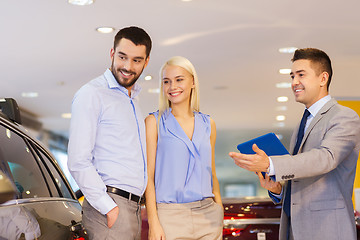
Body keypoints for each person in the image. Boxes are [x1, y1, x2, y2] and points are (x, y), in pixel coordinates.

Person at [229, 48, 360, 240]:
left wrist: (271, 164)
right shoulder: (302, 124)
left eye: (301, 75)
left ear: (323, 78)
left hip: (328, 230)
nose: (294, 82)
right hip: (294, 230)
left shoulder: (345, 117)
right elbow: (302, 179)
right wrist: (278, 189)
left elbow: (325, 158)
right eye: (292, 76)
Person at [67, 26, 152, 240]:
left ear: (146, 62)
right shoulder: (92, 94)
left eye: (136, 60)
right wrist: (108, 208)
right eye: (122, 57)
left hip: (132, 208)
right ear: (112, 53)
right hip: (109, 208)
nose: (128, 66)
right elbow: (78, 161)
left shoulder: (132, 99)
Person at [145, 56, 223, 240]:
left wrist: (219, 208)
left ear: (193, 82)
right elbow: (148, 177)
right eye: (167, 81)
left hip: (208, 215)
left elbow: (211, 173)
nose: (172, 87)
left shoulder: (208, 123)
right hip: (170, 217)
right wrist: (153, 221)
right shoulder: (154, 123)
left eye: (179, 79)